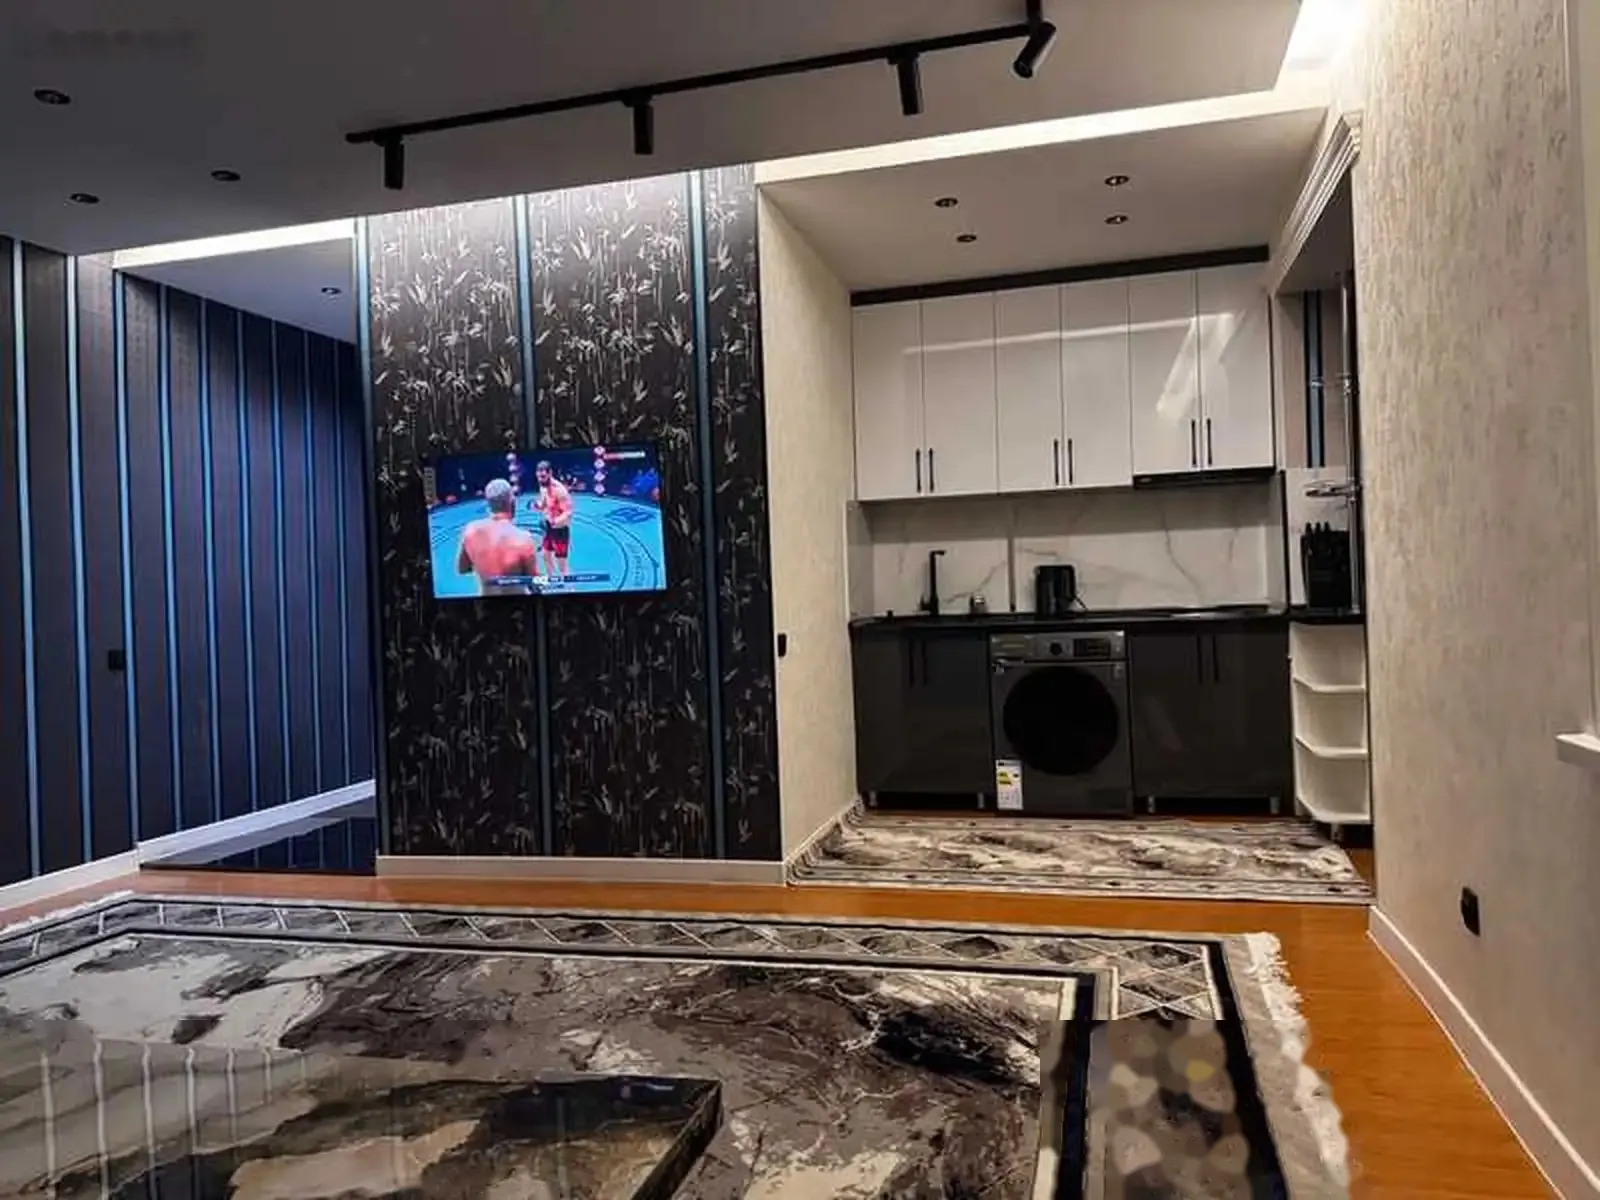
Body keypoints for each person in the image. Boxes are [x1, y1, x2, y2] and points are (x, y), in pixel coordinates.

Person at [455, 478, 537, 594]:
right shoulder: (524, 539)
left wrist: (483, 562)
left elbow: (462, 569)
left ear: (488, 503)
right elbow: (534, 584)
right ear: (512, 502)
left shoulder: (470, 531)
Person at [531, 460, 574, 580]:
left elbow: (568, 512)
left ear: (550, 473)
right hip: (549, 527)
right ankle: (550, 579)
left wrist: (556, 521)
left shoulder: (560, 490)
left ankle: (570, 587)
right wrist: (538, 506)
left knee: (561, 564)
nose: (541, 479)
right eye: (539, 476)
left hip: (560, 529)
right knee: (545, 555)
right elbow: (545, 503)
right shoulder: (543, 485)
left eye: (543, 476)